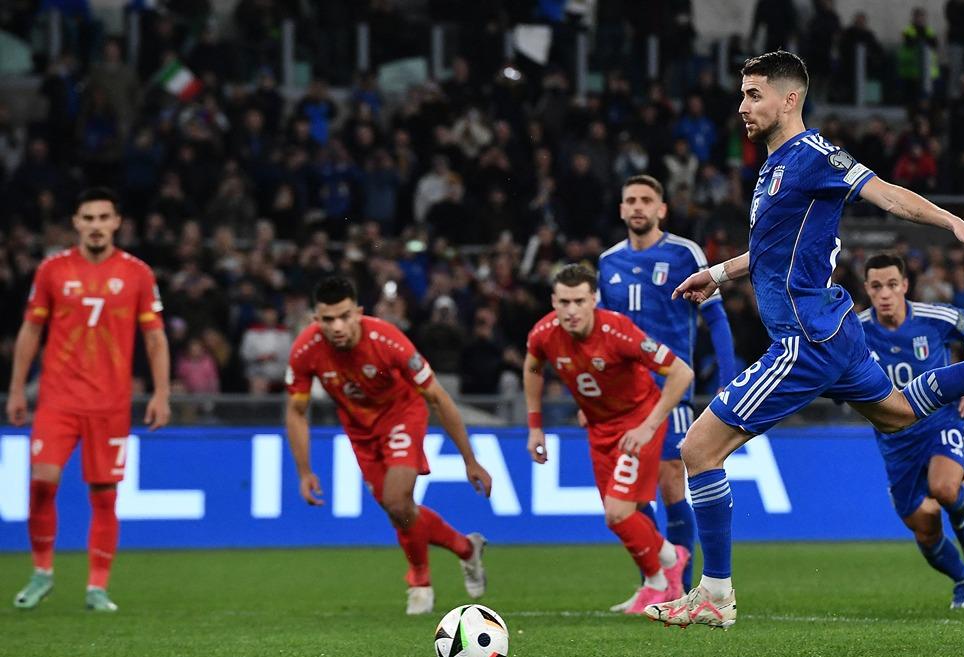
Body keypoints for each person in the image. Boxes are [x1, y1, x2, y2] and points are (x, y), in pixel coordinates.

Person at [647, 50, 964, 629]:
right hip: (836, 330)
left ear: (789, 99)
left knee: (697, 450)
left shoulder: (812, 155)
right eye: (743, 94)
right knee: (897, 412)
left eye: (754, 94)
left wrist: (953, 222)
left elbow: (888, 193)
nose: (743, 106)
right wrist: (718, 274)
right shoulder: (775, 168)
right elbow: (773, 252)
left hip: (806, 338)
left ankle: (716, 594)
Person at [285, 276, 493, 615]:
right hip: (360, 430)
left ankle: (419, 583)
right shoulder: (306, 351)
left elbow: (438, 398)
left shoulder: (388, 340)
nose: (337, 326)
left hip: (401, 415)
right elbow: (296, 412)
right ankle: (466, 548)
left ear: (359, 312)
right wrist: (304, 470)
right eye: (328, 319)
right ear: (315, 320)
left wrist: (470, 459)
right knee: (399, 512)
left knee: (398, 501)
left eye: (344, 316)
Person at [9, 187, 172, 612]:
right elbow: (30, 331)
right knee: (42, 483)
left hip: (110, 404)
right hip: (58, 398)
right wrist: (15, 388)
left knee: (104, 496)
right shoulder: (52, 270)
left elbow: (154, 338)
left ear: (117, 223)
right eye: (88, 218)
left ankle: (97, 587)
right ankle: (42, 572)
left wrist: (161, 393)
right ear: (76, 223)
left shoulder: (138, 274)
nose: (96, 225)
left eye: (104, 217)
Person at [597, 174, 737, 607]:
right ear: (621, 209)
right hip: (622, 397)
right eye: (630, 200)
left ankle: (681, 585)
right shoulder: (608, 262)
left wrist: (728, 381)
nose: (637, 207)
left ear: (661, 209)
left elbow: (715, 318)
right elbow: (601, 334)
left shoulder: (683, 253)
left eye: (646, 200)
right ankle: (655, 581)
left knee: (672, 479)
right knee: (631, 493)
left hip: (670, 389)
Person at [525, 264, 695, 615]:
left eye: (579, 301)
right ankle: (664, 569)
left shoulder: (618, 331)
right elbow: (532, 366)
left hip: (637, 423)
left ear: (594, 300)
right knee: (621, 513)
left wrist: (649, 426)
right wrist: (535, 426)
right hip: (599, 428)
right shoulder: (543, 333)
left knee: (617, 513)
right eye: (564, 302)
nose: (571, 310)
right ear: (553, 301)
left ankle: (663, 572)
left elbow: (681, 372)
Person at [858, 253, 964, 609]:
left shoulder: (933, 318)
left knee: (943, 489)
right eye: (877, 286)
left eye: (892, 285)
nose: (885, 293)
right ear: (867, 289)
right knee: (925, 528)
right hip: (895, 441)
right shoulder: (856, 331)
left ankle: (962, 520)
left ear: (905, 286)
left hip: (940, 421)